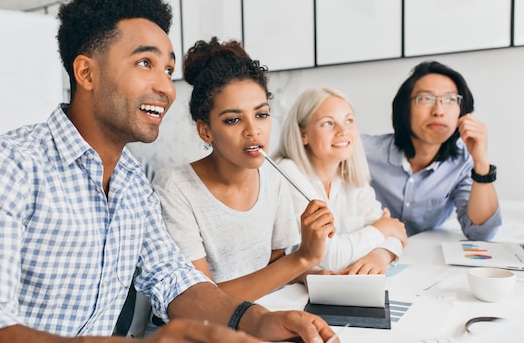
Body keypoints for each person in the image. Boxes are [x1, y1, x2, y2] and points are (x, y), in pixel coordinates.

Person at [0, 0, 338, 343]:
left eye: (167, 70)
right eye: (145, 62)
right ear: (86, 73)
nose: (165, 87)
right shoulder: (2, 164)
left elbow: (174, 281)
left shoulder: (131, 181)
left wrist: (255, 321)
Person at [149, 37, 335, 309]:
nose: (253, 130)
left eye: (261, 114)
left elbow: (275, 265)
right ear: (205, 130)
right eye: (233, 120)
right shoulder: (175, 187)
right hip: (204, 331)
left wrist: (318, 277)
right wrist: (303, 259)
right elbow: (201, 300)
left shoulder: (274, 178)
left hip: (263, 316)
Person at [273, 88, 407, 275]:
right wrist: (383, 228)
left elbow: (396, 236)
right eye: (328, 123)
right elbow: (330, 258)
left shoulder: (349, 175)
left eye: (349, 120)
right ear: (303, 134)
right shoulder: (288, 173)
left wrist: (380, 256)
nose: (343, 131)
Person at [362, 61, 501, 239]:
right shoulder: (363, 152)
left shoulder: (463, 163)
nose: (439, 111)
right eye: (426, 99)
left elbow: (482, 233)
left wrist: (481, 162)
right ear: (405, 109)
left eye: (450, 99)